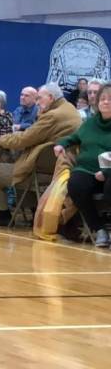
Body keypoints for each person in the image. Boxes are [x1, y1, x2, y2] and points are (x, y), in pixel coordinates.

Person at [0, 83, 81, 226]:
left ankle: (3, 214)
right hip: (61, 167)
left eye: (39, 98)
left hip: (42, 170)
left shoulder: (52, 115)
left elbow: (24, 139)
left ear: (51, 98)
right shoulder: (70, 109)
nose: (37, 102)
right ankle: (32, 212)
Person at [55, 83, 111, 247]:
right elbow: (74, 137)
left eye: (110, 100)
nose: (106, 102)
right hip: (87, 169)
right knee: (76, 184)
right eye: (103, 99)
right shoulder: (90, 123)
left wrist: (106, 172)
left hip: (109, 172)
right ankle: (99, 229)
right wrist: (61, 144)